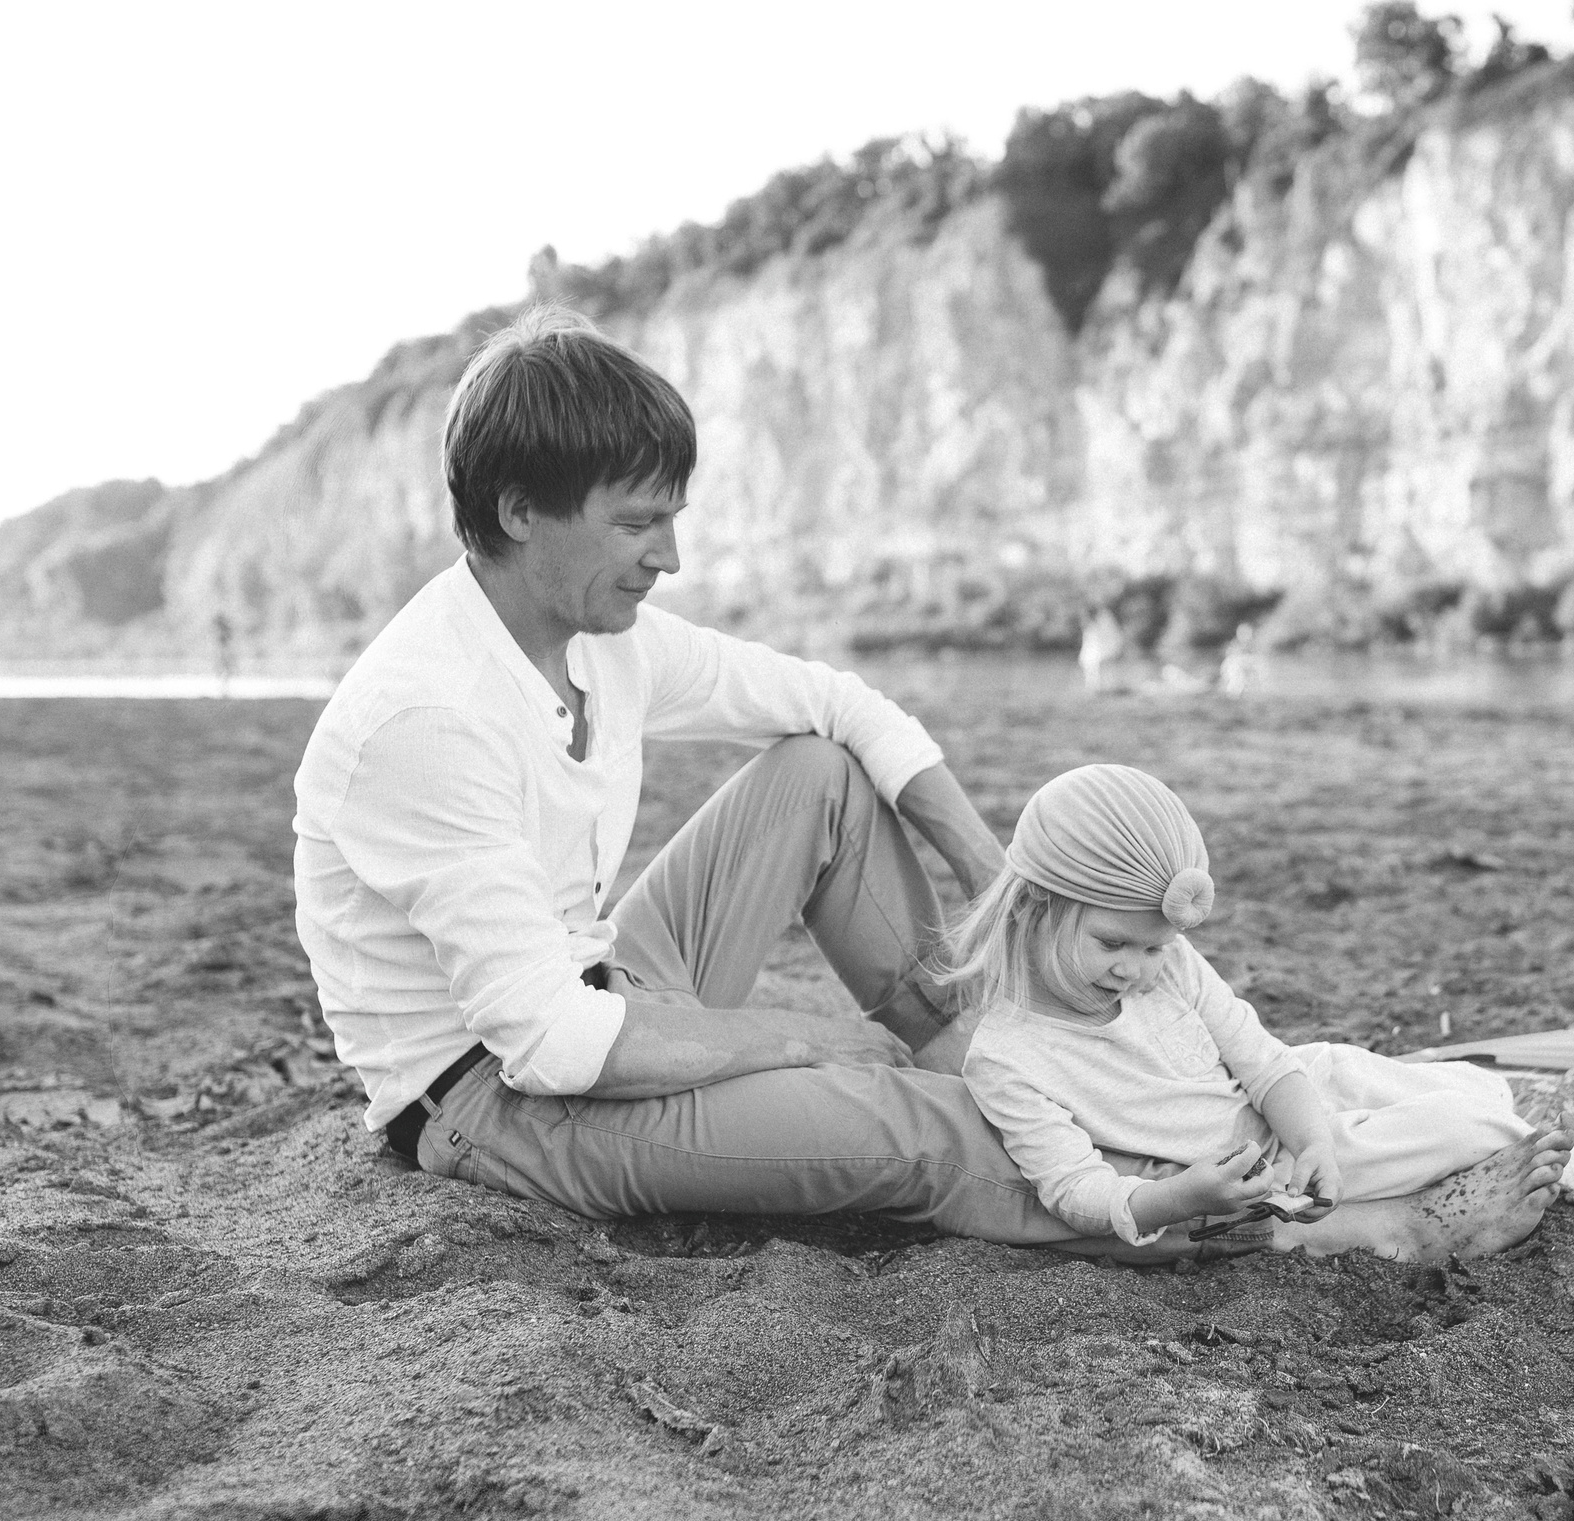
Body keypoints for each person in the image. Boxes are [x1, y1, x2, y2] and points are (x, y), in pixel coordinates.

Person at [292, 306, 1215, 1259]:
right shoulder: (427, 719)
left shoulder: (600, 642)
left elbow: (839, 704)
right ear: (519, 511)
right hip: (496, 1096)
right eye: (636, 523)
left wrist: (1000, 879)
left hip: (604, 982)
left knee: (820, 775)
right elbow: (551, 1045)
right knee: (918, 1126)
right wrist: (797, 1038)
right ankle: (1198, 1211)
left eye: (672, 520)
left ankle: (979, 1055)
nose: (669, 556)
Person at [942, 765, 1571, 1261]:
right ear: (1033, 907)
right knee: (1463, 1129)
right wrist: (1177, 1198)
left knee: (1456, 1082)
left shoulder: (1172, 963)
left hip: (1297, 1098)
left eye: (1154, 948)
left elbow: (1261, 1059)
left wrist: (1313, 1138)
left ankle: (1515, 1120)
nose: (1136, 970)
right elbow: (1074, 1190)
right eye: (1112, 945)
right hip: (1263, 1165)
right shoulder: (1008, 1058)